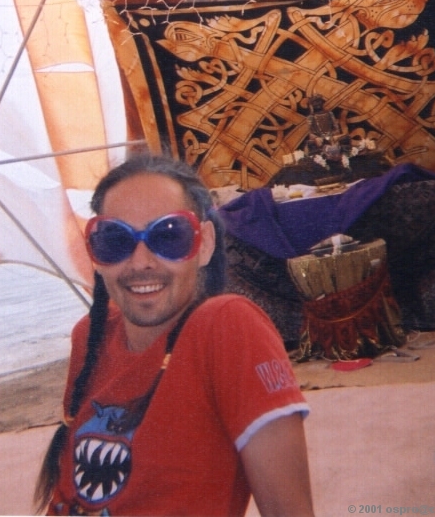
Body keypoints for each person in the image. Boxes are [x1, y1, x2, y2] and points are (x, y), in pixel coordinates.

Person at [36, 151, 315, 517]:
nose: (140, 262)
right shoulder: (90, 335)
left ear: (206, 244)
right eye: (114, 239)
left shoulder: (226, 325)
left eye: (168, 235)